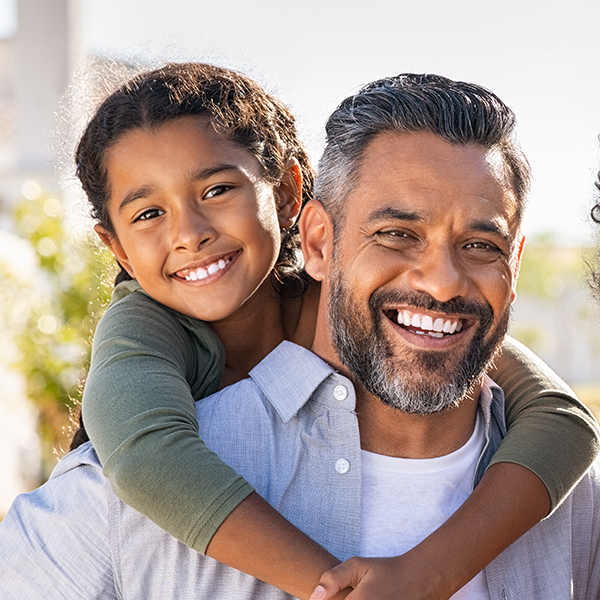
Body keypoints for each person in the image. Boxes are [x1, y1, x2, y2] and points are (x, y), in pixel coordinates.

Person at [0, 70, 598, 599]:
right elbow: (143, 457)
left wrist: (428, 574)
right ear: (319, 243)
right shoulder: (139, 355)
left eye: (480, 245)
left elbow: (562, 418)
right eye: (396, 234)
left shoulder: (572, 505)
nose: (191, 234)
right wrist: (330, 586)